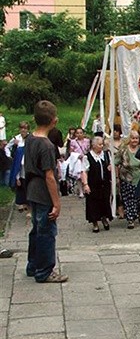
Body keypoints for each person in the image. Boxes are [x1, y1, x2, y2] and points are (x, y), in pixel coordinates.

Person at [24, 101, 67, 283]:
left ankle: (33, 265)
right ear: (54, 121)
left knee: (36, 229)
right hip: (43, 191)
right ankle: (44, 270)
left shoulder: (30, 139)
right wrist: (56, 203)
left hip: (32, 189)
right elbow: (50, 176)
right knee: (46, 231)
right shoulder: (47, 146)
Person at [81, 136, 112, 233]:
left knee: (105, 201)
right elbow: (84, 171)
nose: (101, 146)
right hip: (93, 184)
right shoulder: (88, 157)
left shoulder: (106, 154)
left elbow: (110, 165)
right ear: (93, 145)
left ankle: (104, 218)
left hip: (105, 183)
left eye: (102, 144)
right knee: (93, 203)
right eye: (99, 144)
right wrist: (85, 184)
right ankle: (95, 223)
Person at [115, 130, 140, 229]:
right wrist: (116, 177)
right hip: (127, 179)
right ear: (129, 139)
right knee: (129, 200)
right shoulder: (123, 150)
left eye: (136, 138)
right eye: (133, 138)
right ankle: (130, 219)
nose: (134, 140)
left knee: (138, 200)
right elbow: (116, 162)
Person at [7, 121, 30, 212]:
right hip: (18, 163)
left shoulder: (31, 138)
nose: (23, 130)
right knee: (19, 183)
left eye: (25, 128)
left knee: (27, 185)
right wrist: (10, 156)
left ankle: (28, 205)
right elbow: (7, 147)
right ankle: (22, 203)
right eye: (21, 128)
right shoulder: (16, 138)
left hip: (27, 163)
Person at [68, 128, 91, 198]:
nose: (79, 134)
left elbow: (89, 149)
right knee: (79, 176)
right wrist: (77, 156)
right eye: (77, 133)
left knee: (86, 174)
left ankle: (86, 189)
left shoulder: (87, 141)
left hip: (86, 159)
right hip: (78, 160)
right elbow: (71, 152)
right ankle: (81, 191)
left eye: (81, 133)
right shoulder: (73, 142)